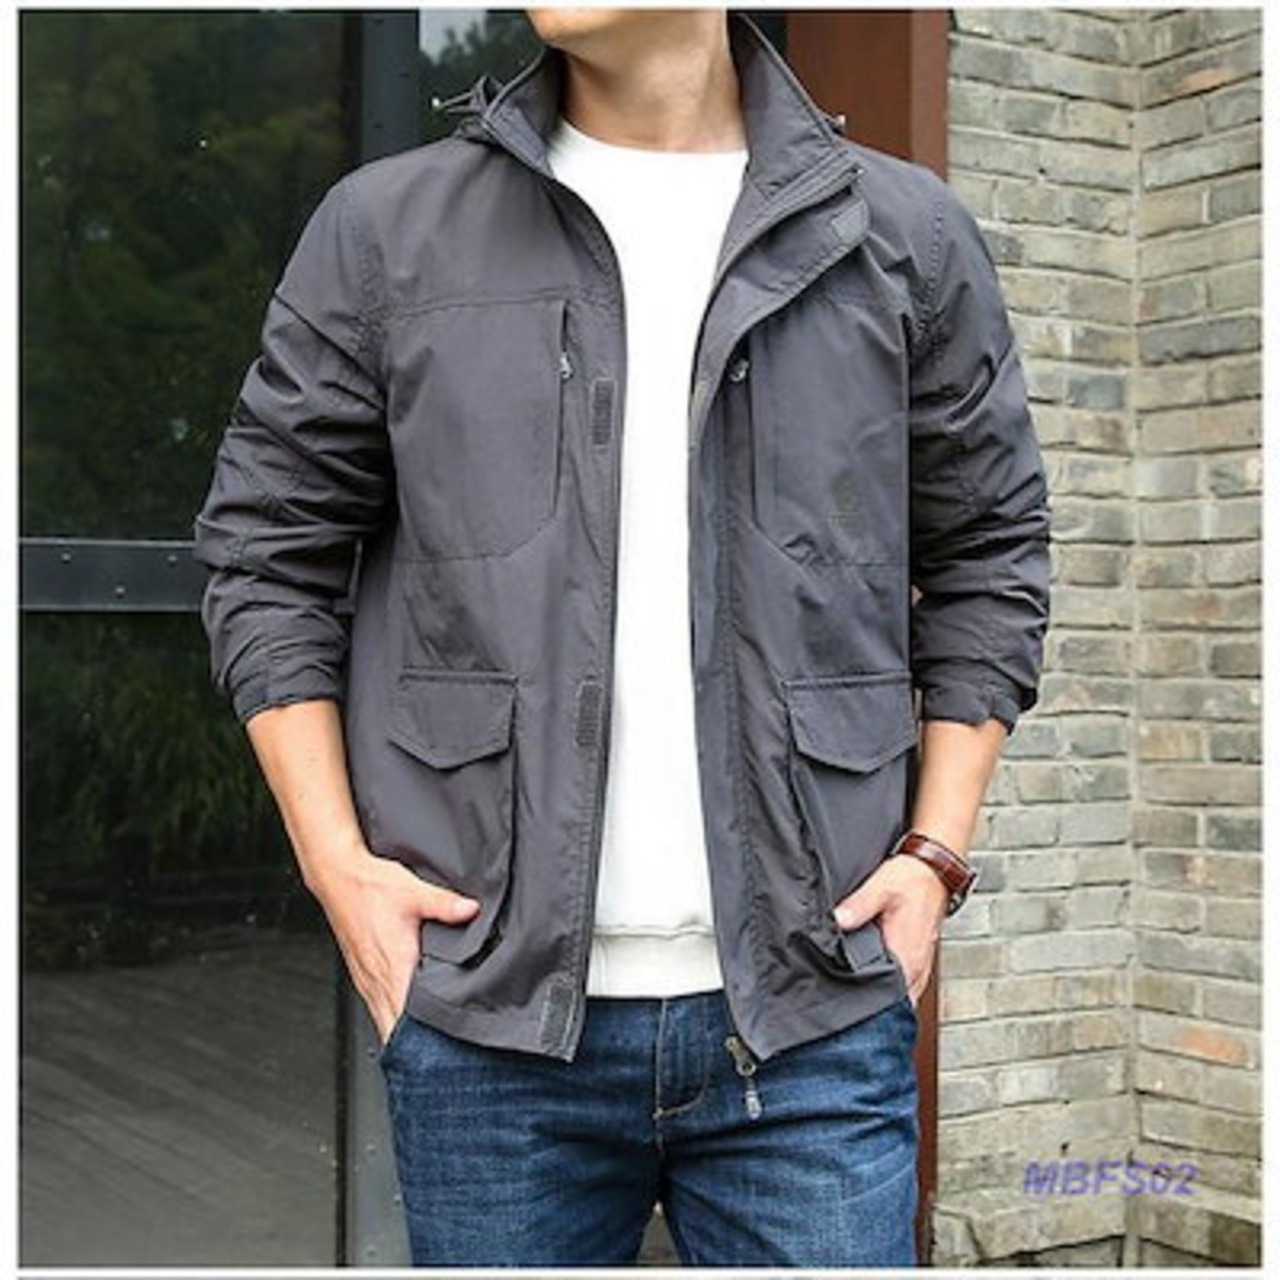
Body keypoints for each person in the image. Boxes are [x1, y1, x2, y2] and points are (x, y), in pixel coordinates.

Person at [195, 8, 1050, 1268]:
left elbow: (987, 553)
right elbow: (268, 552)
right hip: (488, 1019)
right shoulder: (388, 229)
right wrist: (335, 863)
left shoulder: (900, 234)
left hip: (810, 1016)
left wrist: (933, 853)